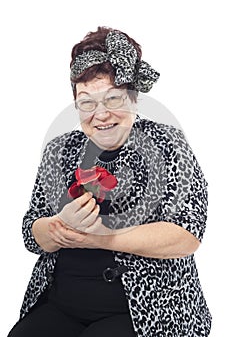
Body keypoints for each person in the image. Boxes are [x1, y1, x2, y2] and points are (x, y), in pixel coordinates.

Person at [8, 26, 212, 337]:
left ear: (133, 98)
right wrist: (58, 225)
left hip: (146, 310)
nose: (100, 114)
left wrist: (100, 237)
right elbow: (30, 234)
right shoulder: (59, 149)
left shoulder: (167, 144)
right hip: (62, 305)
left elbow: (186, 236)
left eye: (112, 98)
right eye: (87, 102)